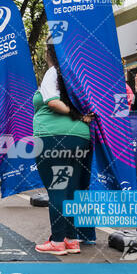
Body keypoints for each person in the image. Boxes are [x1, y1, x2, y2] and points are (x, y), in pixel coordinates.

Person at [34, 44, 95, 255]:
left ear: (48, 54)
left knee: (58, 188)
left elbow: (52, 102)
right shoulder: (79, 73)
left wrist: (75, 113)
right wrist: (80, 116)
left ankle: (57, 241)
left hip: (54, 137)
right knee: (72, 189)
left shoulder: (53, 72)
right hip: (80, 137)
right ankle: (72, 239)